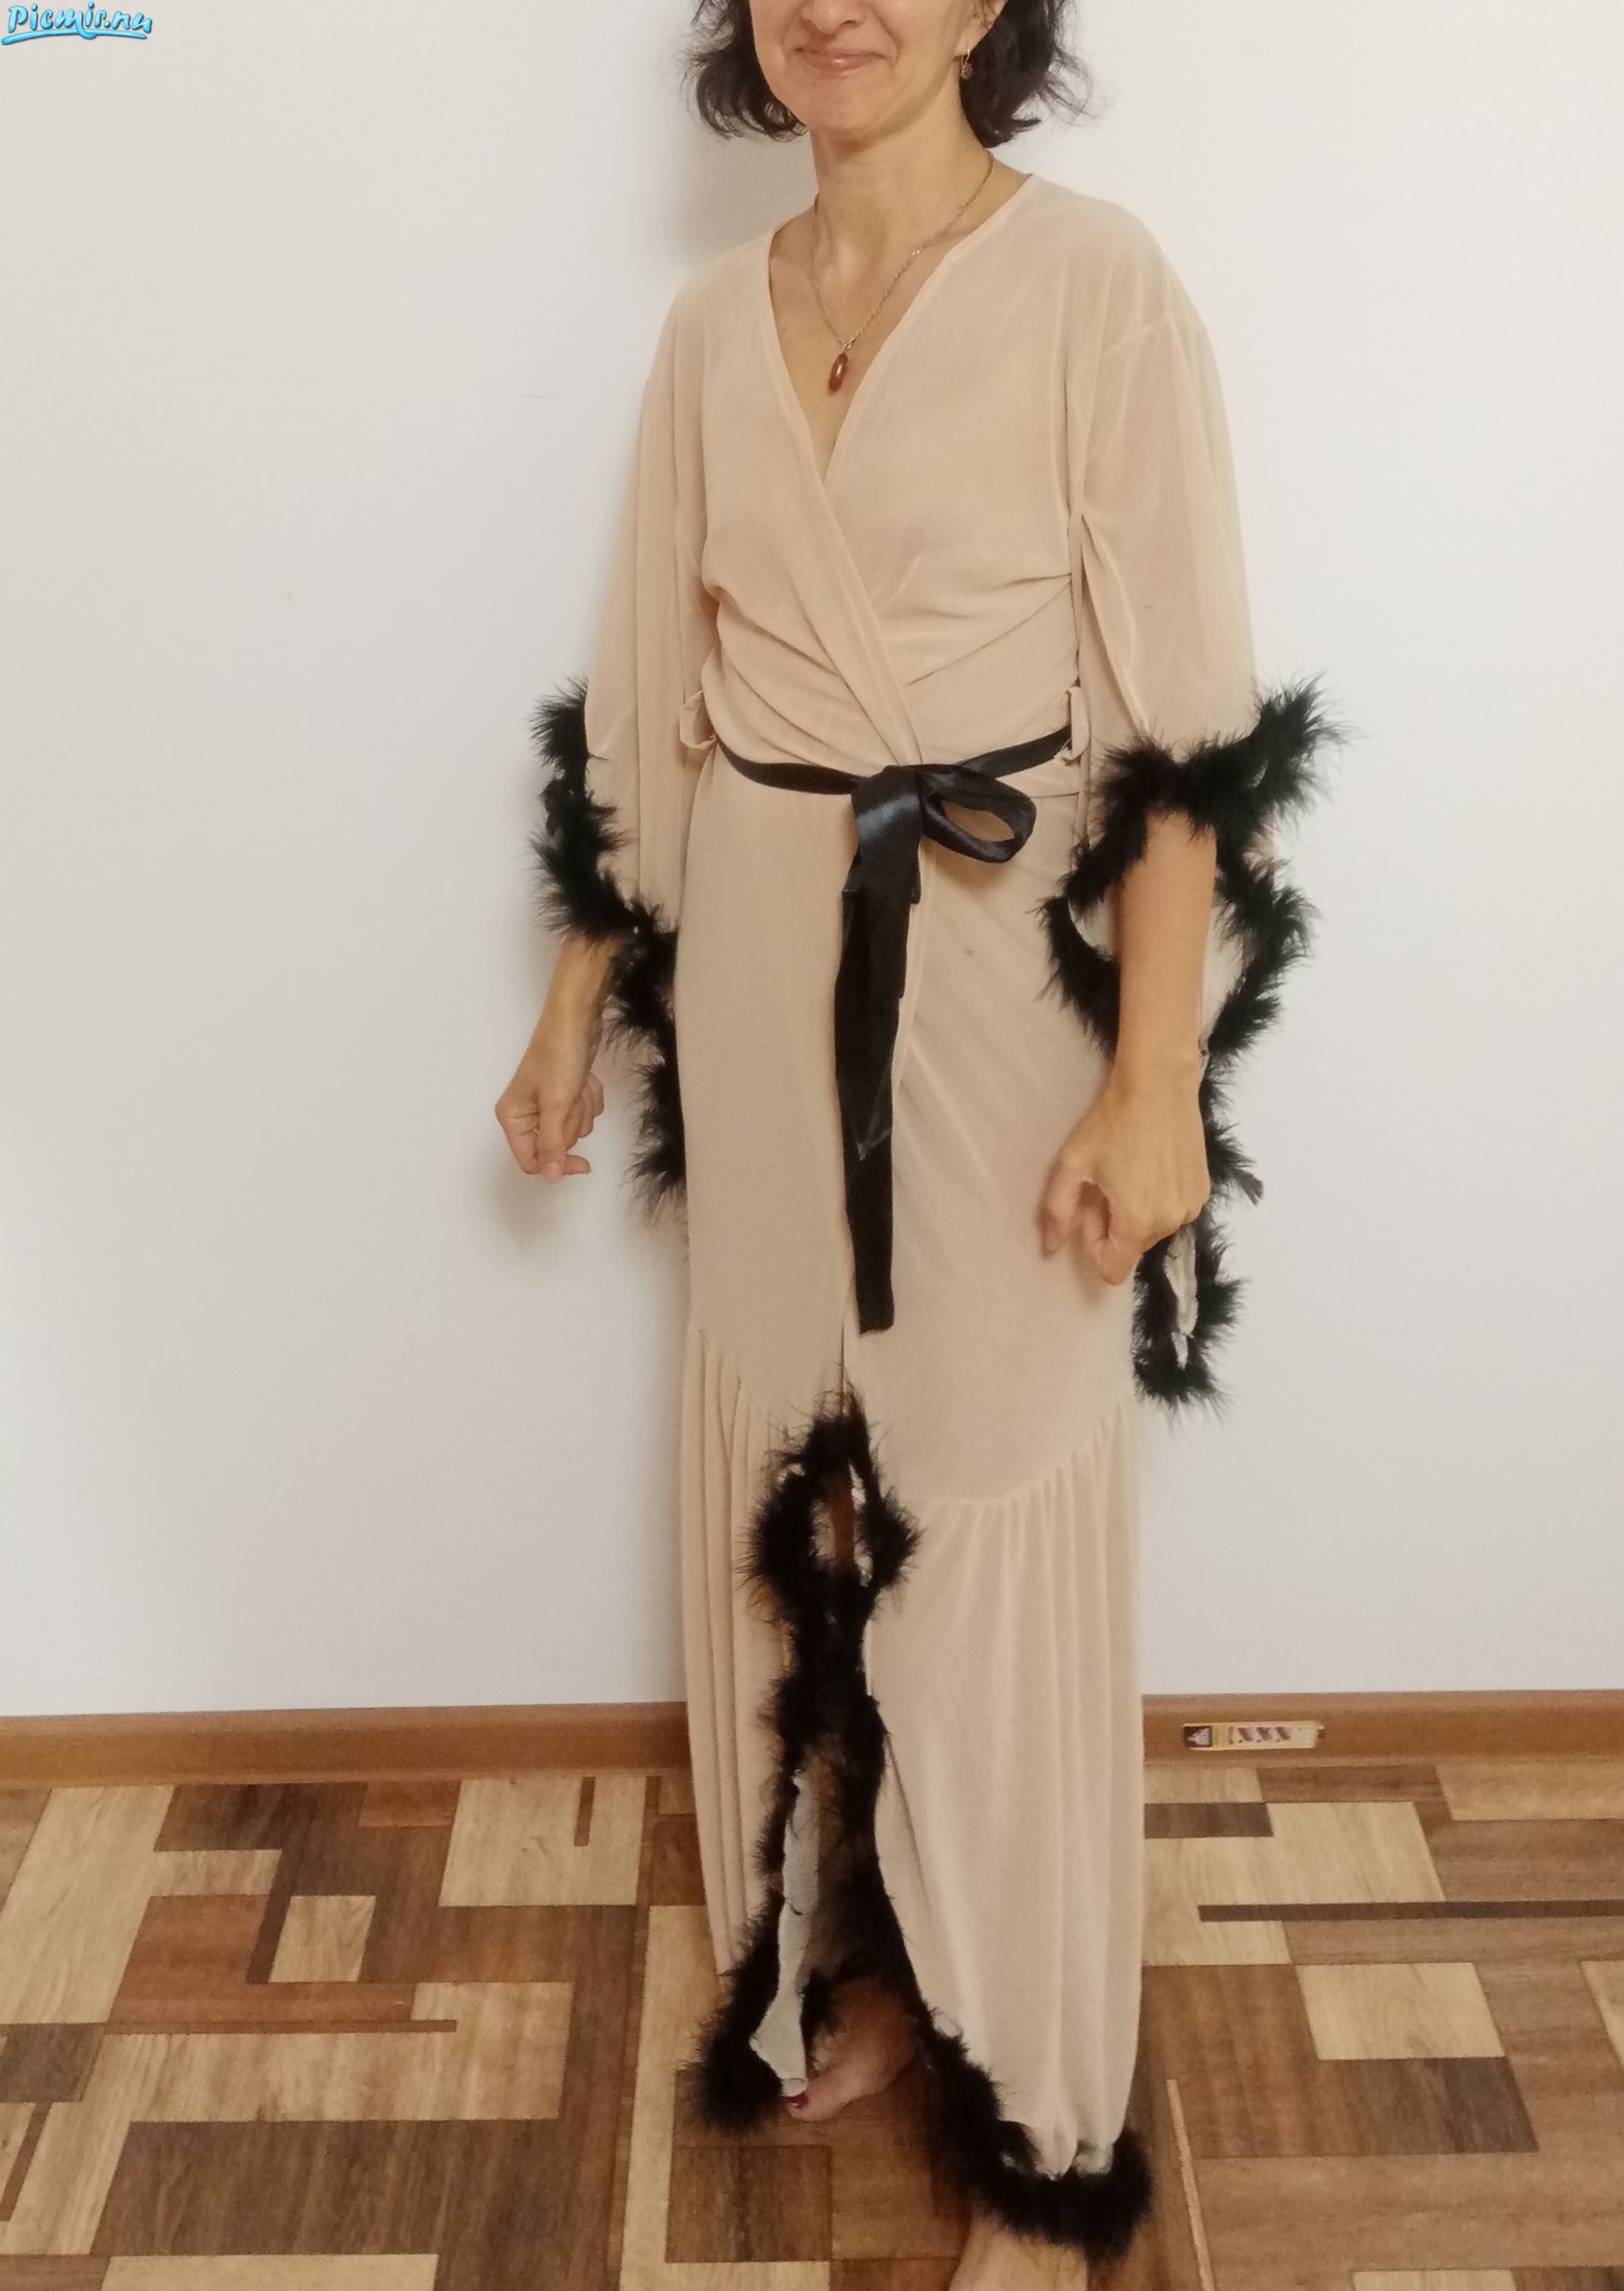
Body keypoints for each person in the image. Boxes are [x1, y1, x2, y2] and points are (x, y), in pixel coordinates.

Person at [497, 3, 1344, 2282]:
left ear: (988, 7)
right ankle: (869, 1983)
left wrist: (1152, 1079)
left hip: (992, 981)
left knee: (984, 1515)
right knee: (806, 1495)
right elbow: (646, 701)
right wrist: (573, 1004)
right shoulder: (711, 324)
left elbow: (1186, 726)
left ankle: (1044, 2135)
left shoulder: (1098, 287)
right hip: (760, 978)